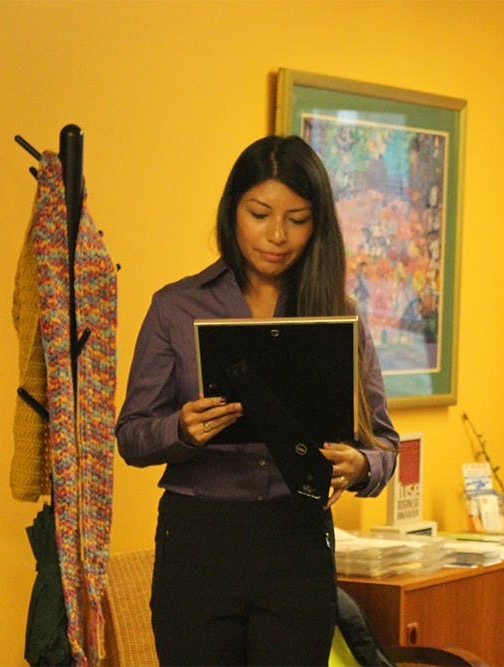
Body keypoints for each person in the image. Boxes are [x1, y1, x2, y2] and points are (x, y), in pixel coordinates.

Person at [116, 135, 399, 665]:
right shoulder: (176, 307)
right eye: (260, 213)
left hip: (297, 541)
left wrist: (361, 465)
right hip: (198, 543)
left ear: (318, 225)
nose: (276, 235)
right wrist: (180, 429)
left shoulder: (336, 313)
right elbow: (131, 435)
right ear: (232, 212)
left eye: (297, 218)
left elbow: (384, 442)